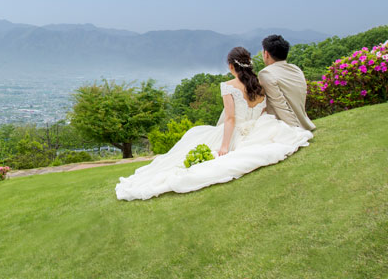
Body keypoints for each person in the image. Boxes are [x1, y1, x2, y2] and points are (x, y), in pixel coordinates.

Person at [115, 47, 313, 201]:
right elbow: (262, 110)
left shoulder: (228, 87)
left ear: (231, 66)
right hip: (259, 127)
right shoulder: (259, 84)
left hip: (237, 131)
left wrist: (225, 146)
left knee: (194, 138)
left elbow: (230, 119)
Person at [257, 34, 316, 131]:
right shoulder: (296, 69)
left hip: (284, 125)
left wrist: (295, 129)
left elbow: (279, 104)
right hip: (304, 122)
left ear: (266, 53)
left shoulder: (266, 73)